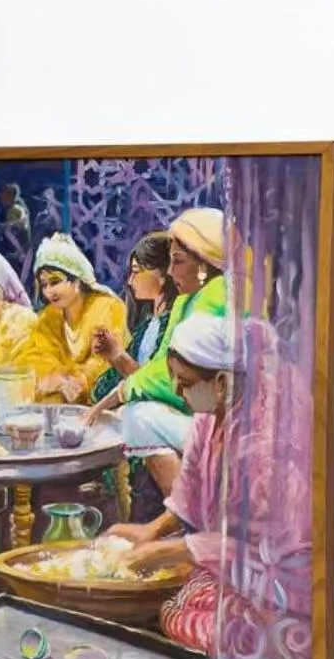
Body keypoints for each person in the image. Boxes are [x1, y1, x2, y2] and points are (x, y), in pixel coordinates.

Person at [114, 311, 313, 659]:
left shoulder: (267, 442)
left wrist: (168, 552)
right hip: (231, 567)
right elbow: (189, 490)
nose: (175, 390)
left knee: (190, 620)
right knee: (176, 606)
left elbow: (260, 548)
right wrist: (150, 532)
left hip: (280, 580)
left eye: (185, 382)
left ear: (221, 382)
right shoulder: (209, 417)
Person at [89, 207, 226, 495]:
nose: (171, 271)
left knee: (137, 417)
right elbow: (160, 368)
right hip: (197, 416)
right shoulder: (183, 303)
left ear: (203, 264)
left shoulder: (217, 296)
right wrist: (102, 402)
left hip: (221, 424)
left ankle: (187, 509)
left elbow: (168, 376)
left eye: (177, 262)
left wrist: (117, 395)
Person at [20, 235, 126, 403]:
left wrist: (75, 381)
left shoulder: (107, 307)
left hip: (105, 399)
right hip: (60, 399)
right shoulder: (49, 316)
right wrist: (56, 380)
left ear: (77, 279)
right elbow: (37, 359)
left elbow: (104, 362)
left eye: (55, 282)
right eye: (44, 284)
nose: (49, 292)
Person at [89, 233, 173, 388]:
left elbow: (154, 387)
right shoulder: (147, 325)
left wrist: (116, 354)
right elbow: (104, 388)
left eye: (136, 271)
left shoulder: (173, 326)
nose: (130, 281)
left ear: (162, 274)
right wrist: (111, 354)